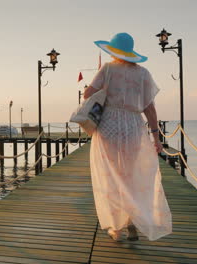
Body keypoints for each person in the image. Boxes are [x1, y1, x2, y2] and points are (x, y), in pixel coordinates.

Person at [83, 32, 172, 241]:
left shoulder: (107, 69)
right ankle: (132, 220)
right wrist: (156, 138)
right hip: (133, 125)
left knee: (110, 176)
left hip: (109, 125)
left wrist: (105, 91)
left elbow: (88, 94)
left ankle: (117, 227)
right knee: (130, 175)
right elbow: (150, 108)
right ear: (132, 53)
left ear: (113, 50)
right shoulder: (143, 74)